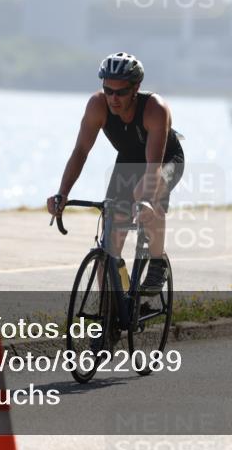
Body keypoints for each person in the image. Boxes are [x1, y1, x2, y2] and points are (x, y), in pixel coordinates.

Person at [47, 52, 184, 293]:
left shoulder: (155, 109)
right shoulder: (97, 106)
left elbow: (153, 168)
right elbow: (80, 151)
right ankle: (110, 313)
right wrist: (62, 193)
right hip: (129, 161)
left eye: (120, 92)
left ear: (136, 88)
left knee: (147, 195)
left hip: (165, 160)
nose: (113, 98)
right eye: (108, 90)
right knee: (110, 243)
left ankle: (157, 261)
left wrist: (145, 201)